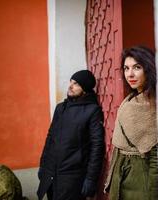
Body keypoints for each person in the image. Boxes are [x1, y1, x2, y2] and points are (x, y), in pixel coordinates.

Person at [37, 70, 105, 200]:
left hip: (72, 178)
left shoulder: (92, 111)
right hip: (51, 174)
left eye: (76, 84)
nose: (70, 86)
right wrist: (43, 164)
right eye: (71, 82)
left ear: (84, 89)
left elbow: (97, 147)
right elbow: (50, 137)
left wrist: (91, 178)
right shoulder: (60, 108)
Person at [104, 46, 158, 200]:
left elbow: (156, 158)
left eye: (137, 67)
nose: (130, 74)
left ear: (149, 68)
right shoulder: (131, 99)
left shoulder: (154, 104)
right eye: (126, 68)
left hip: (140, 178)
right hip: (122, 172)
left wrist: (154, 194)